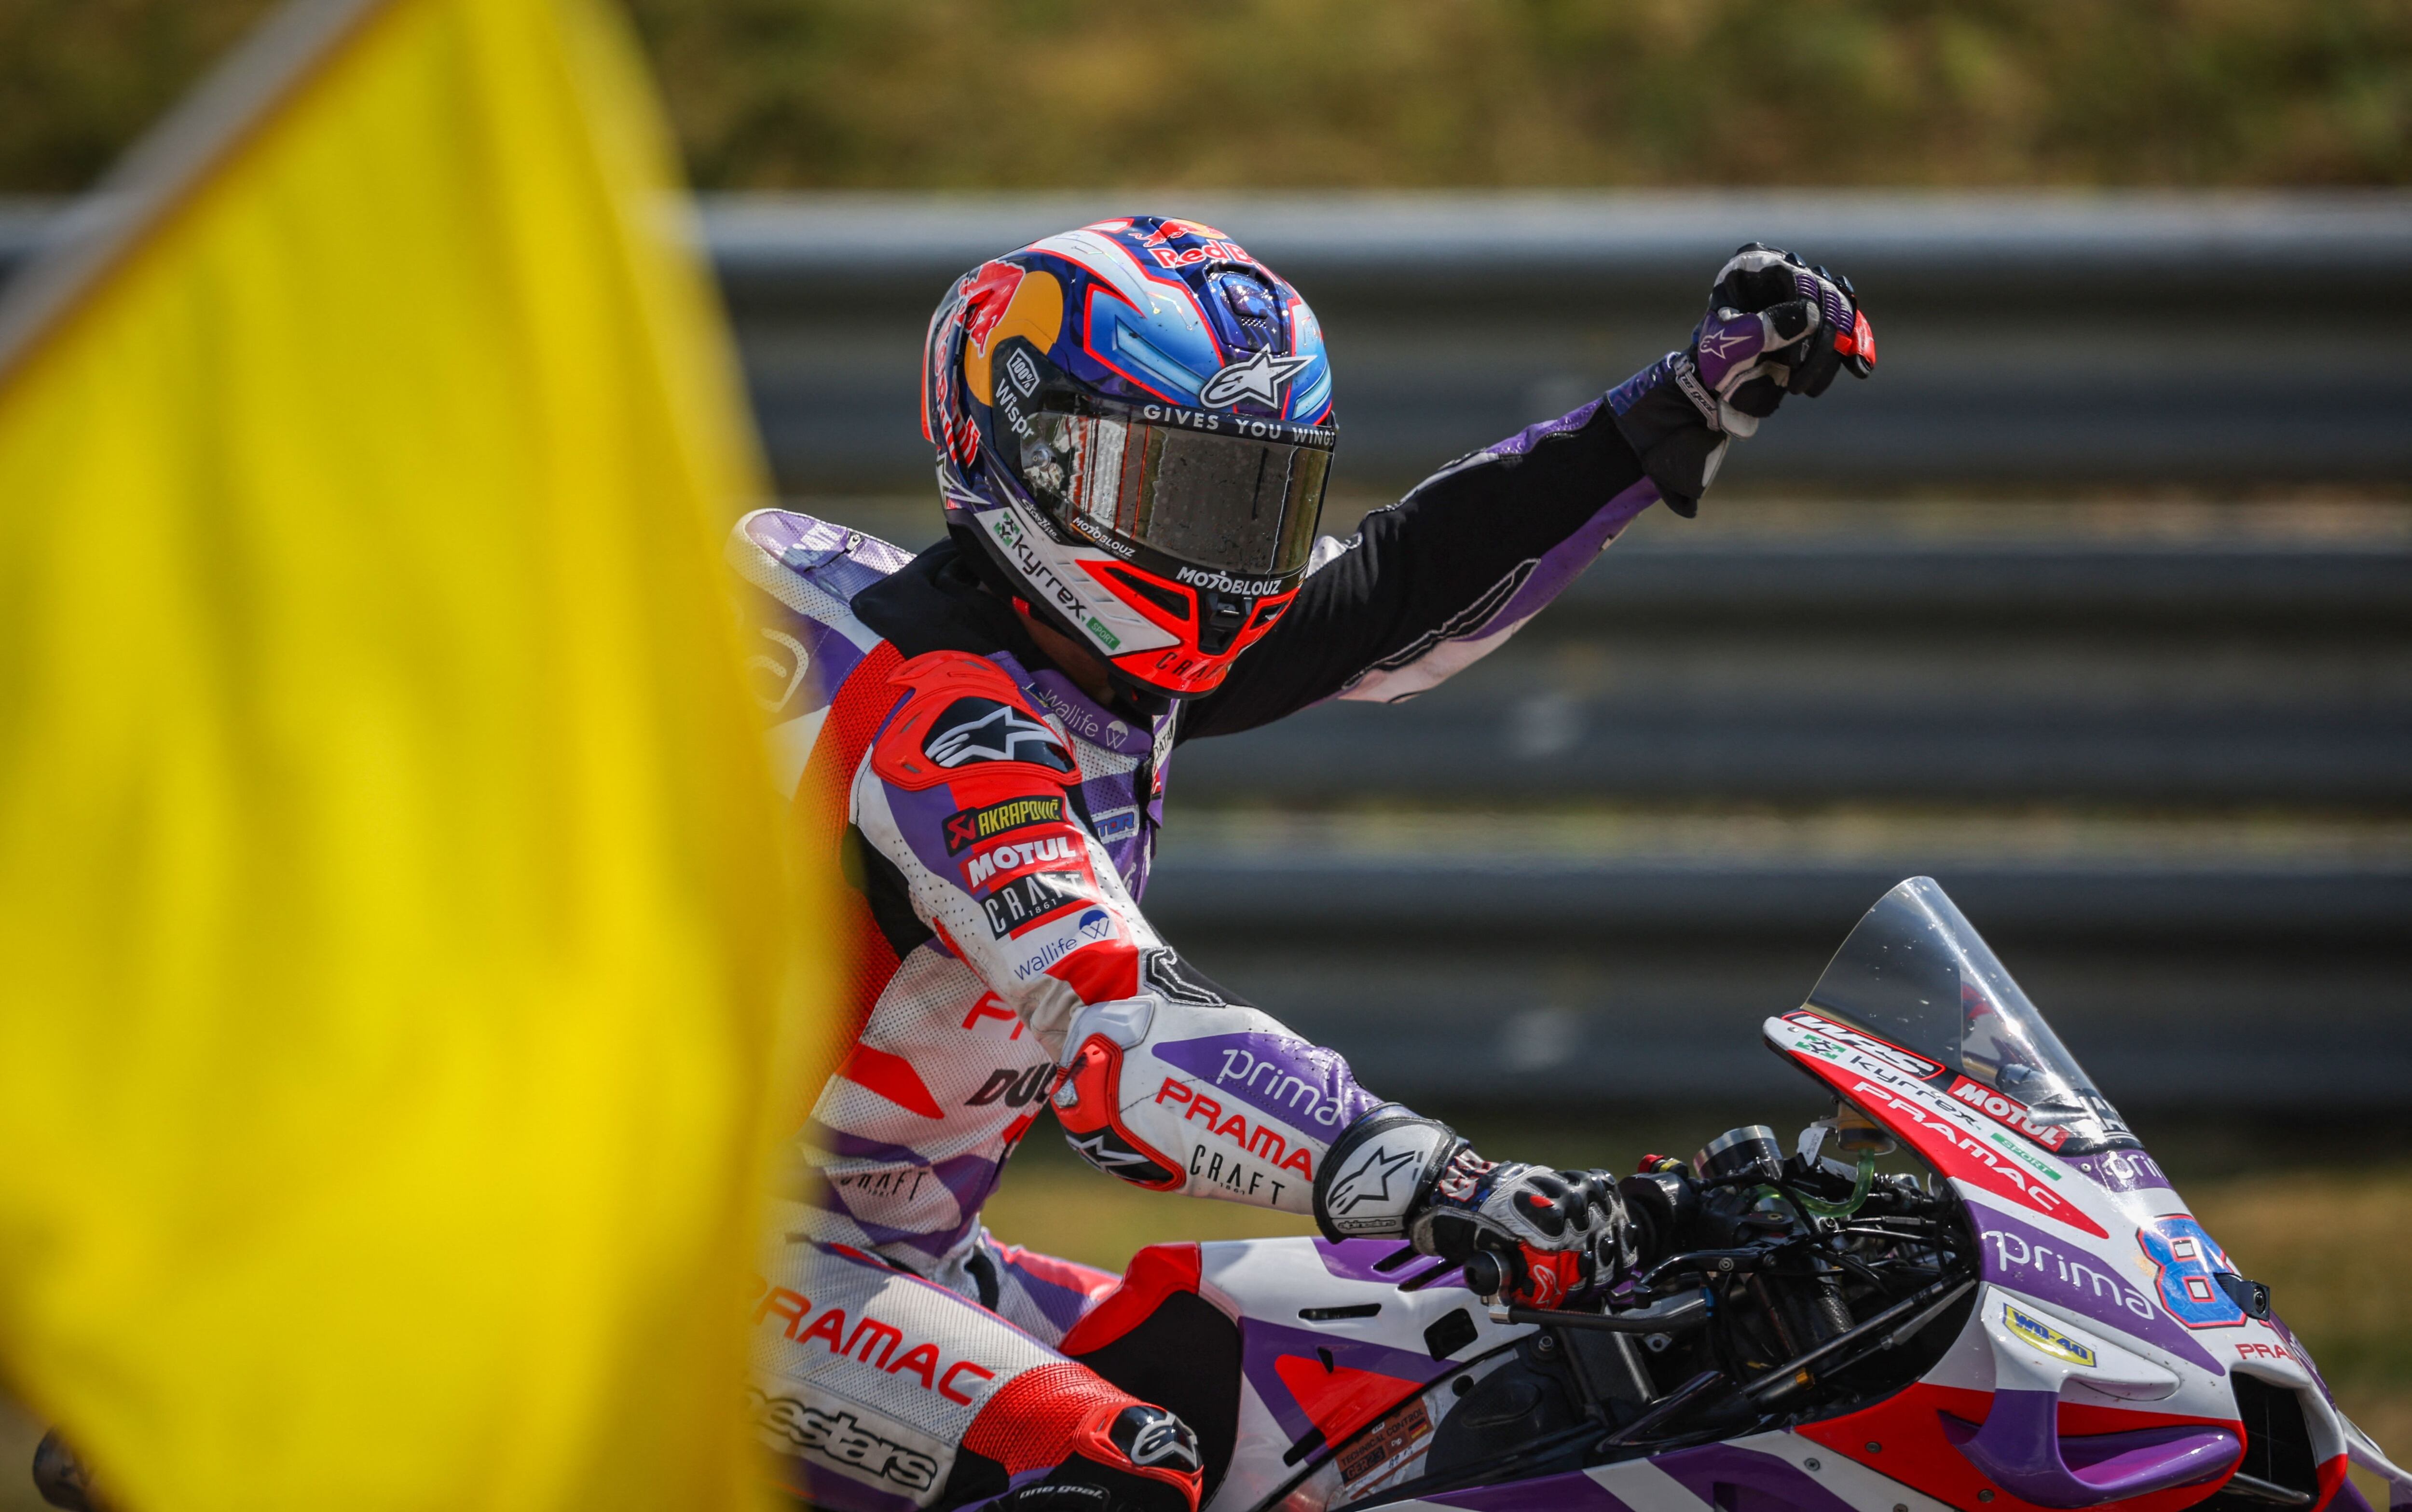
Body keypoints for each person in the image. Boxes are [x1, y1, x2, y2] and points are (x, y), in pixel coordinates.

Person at [733, 215, 1873, 1512]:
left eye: (1255, 500)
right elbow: (1131, 1027)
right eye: (1177, 491)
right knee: (1109, 1470)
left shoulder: (1096, 662)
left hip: (898, 1259)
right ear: (1031, 448)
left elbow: (1394, 592)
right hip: (679, 1273)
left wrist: (1665, 413)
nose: (1226, 555)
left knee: (1314, 1389)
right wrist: (1447, 1180)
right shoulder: (946, 721)